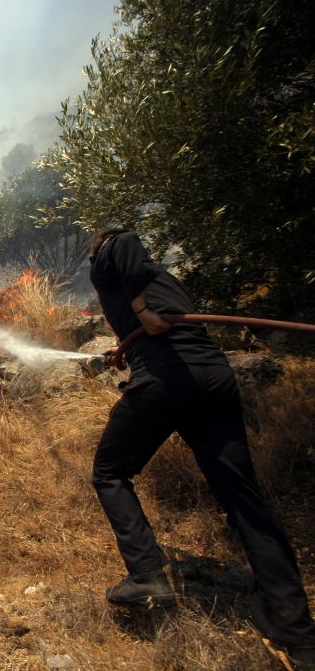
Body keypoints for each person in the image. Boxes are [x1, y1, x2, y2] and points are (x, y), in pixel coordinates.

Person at [89, 228, 315, 668]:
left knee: (110, 472)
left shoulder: (111, 252)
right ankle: (299, 635)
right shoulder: (164, 280)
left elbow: (125, 244)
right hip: (213, 377)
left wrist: (140, 312)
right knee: (244, 500)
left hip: (164, 379)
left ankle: (147, 573)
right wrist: (131, 336)